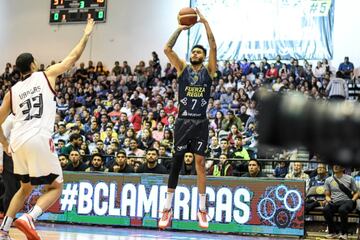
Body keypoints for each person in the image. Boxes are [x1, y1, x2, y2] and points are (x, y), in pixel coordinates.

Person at [0, 19, 95, 239]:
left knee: (25, 189)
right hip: (38, 138)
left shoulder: (11, 92)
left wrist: (5, 144)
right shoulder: (46, 75)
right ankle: (30, 217)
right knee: (56, 187)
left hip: (17, 144)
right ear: (33, 64)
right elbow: (73, 58)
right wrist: (86, 34)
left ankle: (4, 230)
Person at [158, 8, 217, 230]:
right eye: (193, 52)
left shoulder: (209, 71)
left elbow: (212, 46)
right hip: (183, 121)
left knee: (200, 164)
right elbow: (166, 48)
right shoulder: (182, 69)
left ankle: (202, 209)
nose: (195, 54)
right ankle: (166, 208)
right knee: (177, 163)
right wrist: (180, 29)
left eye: (198, 52)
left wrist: (205, 22)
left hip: (200, 122)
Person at [323, 165, 358, 239]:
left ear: (343, 168)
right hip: (335, 201)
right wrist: (328, 199)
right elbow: (327, 195)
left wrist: (353, 200)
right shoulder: (328, 180)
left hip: (347, 201)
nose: (335, 167)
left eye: (338, 166)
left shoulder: (350, 178)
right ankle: (333, 232)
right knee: (326, 209)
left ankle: (344, 233)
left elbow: (357, 192)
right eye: (334, 165)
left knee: (342, 209)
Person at [0, 115, 20, 216]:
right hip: (8, 158)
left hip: (20, 159)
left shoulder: (24, 120)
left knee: (18, 189)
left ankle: (11, 215)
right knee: (10, 189)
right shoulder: (9, 119)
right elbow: (1, 142)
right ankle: (7, 215)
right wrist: (0, 162)